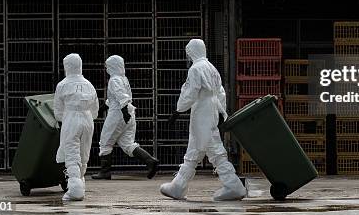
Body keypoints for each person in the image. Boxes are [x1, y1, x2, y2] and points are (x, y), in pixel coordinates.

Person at [160, 39, 246, 201]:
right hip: (212, 109)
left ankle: (232, 185)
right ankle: (179, 185)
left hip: (202, 110)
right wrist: (221, 111)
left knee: (205, 145)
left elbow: (190, 92)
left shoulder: (195, 69)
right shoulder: (212, 68)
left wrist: (178, 110)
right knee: (202, 147)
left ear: (192, 51)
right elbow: (220, 91)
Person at [92, 55, 159, 180]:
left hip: (118, 114)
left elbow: (120, 96)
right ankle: (150, 161)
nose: (106, 68)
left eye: (108, 66)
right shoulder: (123, 79)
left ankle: (105, 171)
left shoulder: (114, 80)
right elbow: (115, 98)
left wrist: (123, 111)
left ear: (112, 66)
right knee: (127, 143)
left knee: (105, 141)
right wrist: (103, 108)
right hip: (129, 113)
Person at [54, 53, 99, 201]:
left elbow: (58, 111)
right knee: (84, 153)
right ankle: (80, 182)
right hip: (87, 119)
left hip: (71, 118)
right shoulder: (89, 84)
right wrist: (88, 116)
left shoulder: (62, 85)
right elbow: (95, 108)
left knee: (71, 153)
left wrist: (65, 119)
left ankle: (75, 189)